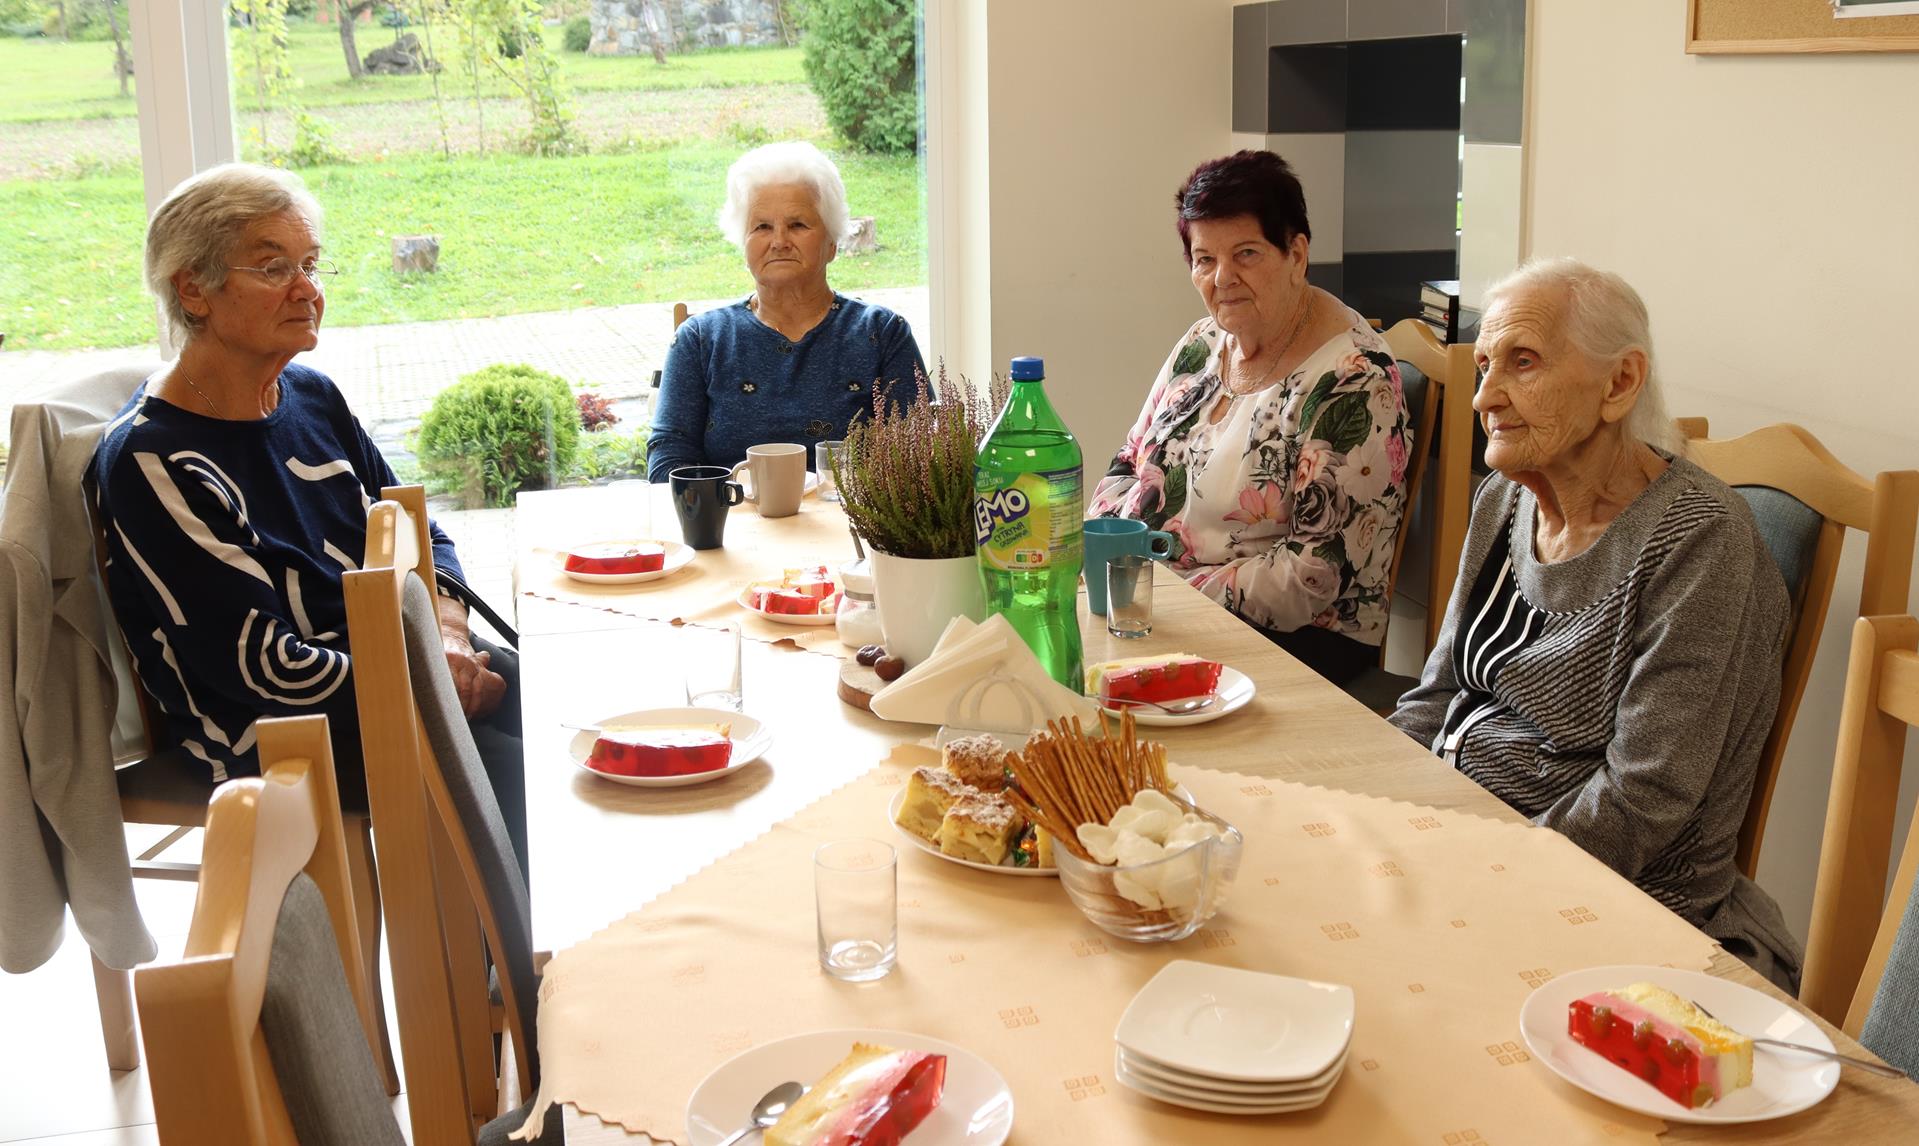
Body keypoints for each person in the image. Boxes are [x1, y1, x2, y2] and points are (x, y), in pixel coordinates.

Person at [90, 162, 528, 872]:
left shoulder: (309, 395)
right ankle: (518, 949)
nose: (308, 291)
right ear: (192, 289)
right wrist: (426, 680)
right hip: (279, 733)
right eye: (273, 269)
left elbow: (421, 531)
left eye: (311, 265)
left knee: (568, 708)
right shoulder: (154, 458)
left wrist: (447, 636)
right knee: (521, 780)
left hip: (398, 666)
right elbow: (262, 667)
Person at [1389, 258, 1801, 989]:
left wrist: (1477, 881)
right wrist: (1376, 810)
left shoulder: (1698, 540)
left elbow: (1644, 799)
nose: (1484, 397)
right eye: (1483, 366)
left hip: (1616, 907)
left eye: (1522, 362)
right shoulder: (1503, 499)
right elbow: (1435, 697)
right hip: (1458, 841)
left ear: (1619, 384)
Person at [1089, 150, 1411, 685]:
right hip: (1165, 608)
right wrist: (1103, 552)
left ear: (1296, 254)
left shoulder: (1354, 378)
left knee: (1092, 686)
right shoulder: (1203, 341)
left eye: (1246, 253)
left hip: (1295, 641)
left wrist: (1163, 593)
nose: (1223, 278)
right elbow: (1129, 460)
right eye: (1204, 259)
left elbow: (1311, 575)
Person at [645, 140, 926, 482]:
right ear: (744, 244)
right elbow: (668, 462)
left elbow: (921, 456)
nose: (779, 241)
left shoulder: (881, 333)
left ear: (832, 243)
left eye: (797, 225)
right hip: (731, 514)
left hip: (850, 515)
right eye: (762, 226)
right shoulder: (700, 339)